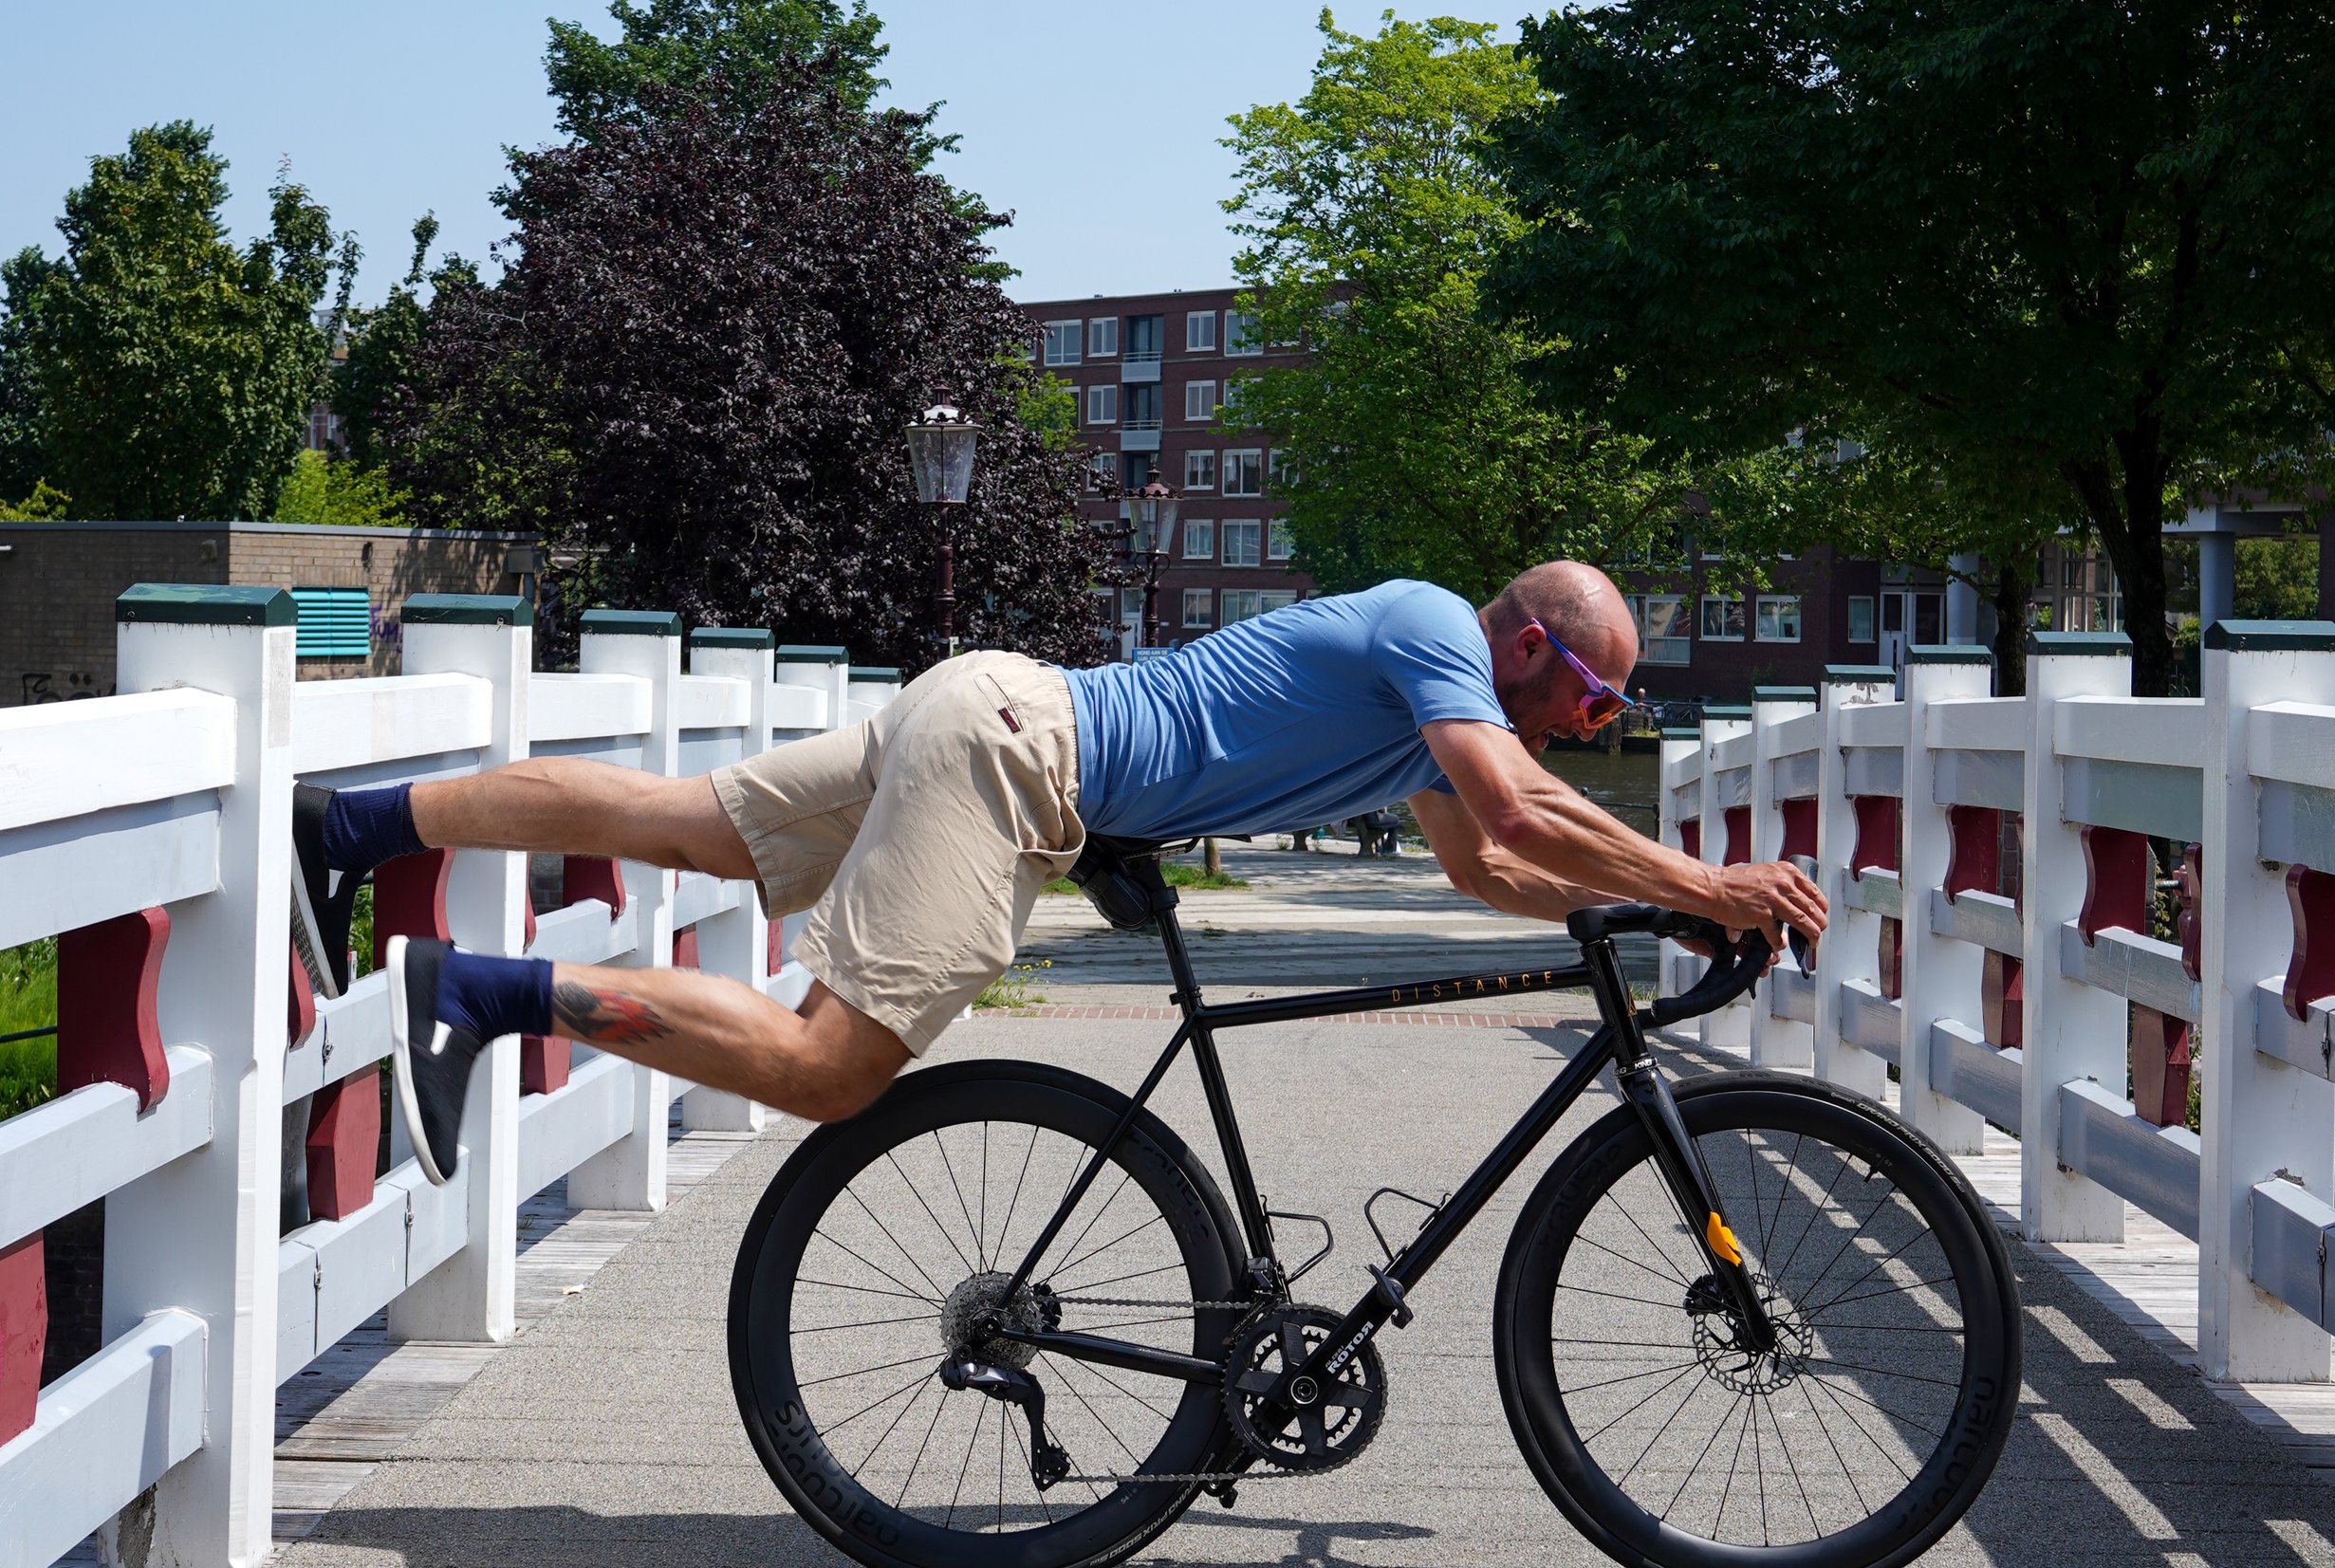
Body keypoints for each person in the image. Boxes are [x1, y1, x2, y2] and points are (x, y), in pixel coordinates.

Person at [289, 563, 1827, 1187]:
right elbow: (1525, 802)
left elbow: (1494, 865)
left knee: (685, 819)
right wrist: (1710, 884)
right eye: (1590, 695)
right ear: (1523, 636)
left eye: (1608, 715)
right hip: (1022, 763)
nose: (1587, 724)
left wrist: (1630, 909)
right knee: (832, 1067)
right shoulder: (1433, 623)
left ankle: (349, 831)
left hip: (997, 711)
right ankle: (478, 994)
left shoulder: (1435, 723)